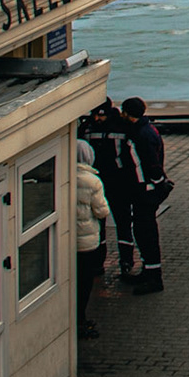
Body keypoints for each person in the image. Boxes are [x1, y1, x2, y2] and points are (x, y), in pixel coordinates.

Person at [81, 100, 140, 282]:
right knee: (99, 224)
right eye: (95, 114)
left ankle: (126, 262)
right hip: (98, 182)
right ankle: (98, 262)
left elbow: (132, 158)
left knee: (123, 222)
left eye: (101, 114)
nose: (98, 118)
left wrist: (134, 183)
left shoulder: (122, 128)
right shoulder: (87, 128)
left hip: (119, 183)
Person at [121, 97, 169, 291]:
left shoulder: (141, 135)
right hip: (145, 189)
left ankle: (154, 277)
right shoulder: (145, 130)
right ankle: (148, 270)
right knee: (142, 232)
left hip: (146, 191)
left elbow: (151, 164)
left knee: (146, 233)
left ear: (127, 113)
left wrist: (157, 185)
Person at [74, 139, 110, 338]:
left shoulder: (64, 175)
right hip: (87, 242)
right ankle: (81, 320)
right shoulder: (92, 181)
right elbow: (102, 211)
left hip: (69, 240)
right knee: (84, 282)